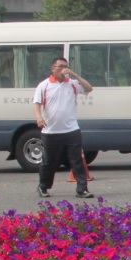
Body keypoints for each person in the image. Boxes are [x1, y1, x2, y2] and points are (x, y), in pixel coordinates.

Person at [33, 56, 94, 199]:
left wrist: (74, 75)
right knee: (49, 161)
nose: (63, 69)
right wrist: (39, 117)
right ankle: (43, 187)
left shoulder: (72, 83)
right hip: (51, 131)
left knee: (76, 160)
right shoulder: (44, 85)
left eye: (65, 66)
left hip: (71, 130)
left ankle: (82, 189)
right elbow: (36, 103)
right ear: (52, 68)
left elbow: (89, 88)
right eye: (60, 66)